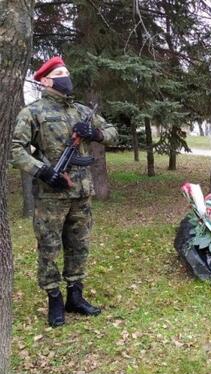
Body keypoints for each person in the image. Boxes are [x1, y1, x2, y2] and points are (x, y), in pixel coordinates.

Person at [10, 56, 118, 327]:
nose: (66, 77)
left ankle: (75, 297)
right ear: (46, 80)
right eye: (60, 73)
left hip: (81, 193)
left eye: (67, 72)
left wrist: (94, 133)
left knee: (79, 246)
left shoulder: (83, 111)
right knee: (49, 248)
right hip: (50, 196)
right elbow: (15, 150)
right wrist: (43, 171)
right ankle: (55, 299)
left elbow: (113, 133)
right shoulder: (33, 112)